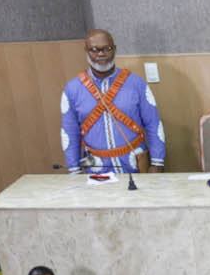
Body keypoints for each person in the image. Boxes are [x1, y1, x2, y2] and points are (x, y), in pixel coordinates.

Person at [60, 28, 165, 174]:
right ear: (86, 51)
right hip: (96, 170)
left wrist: (157, 163)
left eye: (106, 48)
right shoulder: (72, 89)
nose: (101, 54)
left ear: (114, 49)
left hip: (135, 166)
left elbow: (154, 124)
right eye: (94, 49)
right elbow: (70, 133)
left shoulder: (137, 84)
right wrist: (74, 170)